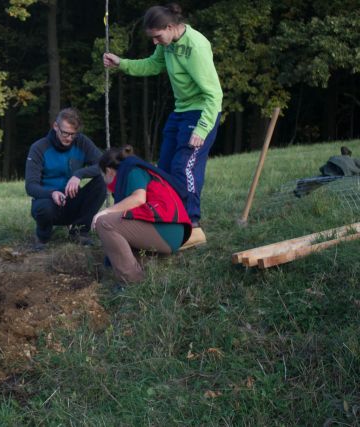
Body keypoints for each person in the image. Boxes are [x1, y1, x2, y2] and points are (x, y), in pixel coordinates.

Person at [103, 3, 222, 249]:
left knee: (184, 167)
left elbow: (214, 94)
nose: (156, 42)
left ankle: (194, 225)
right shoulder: (167, 46)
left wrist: (202, 129)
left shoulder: (195, 47)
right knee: (164, 168)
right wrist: (121, 63)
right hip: (181, 112)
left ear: (170, 27)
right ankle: (170, 219)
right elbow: (152, 65)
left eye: (158, 36)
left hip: (202, 113)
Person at [92, 145, 192, 285]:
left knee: (104, 222)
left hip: (166, 229)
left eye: (103, 176)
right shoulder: (131, 171)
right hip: (171, 229)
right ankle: (147, 265)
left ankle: (132, 281)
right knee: (113, 223)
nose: (104, 181)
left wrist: (105, 211)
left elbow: (138, 199)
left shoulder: (132, 170)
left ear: (108, 171)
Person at [24, 108, 106, 250]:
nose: (69, 138)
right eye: (65, 133)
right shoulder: (38, 148)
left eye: (73, 134)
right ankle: (42, 236)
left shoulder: (82, 142)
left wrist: (78, 174)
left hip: (74, 201)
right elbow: (30, 186)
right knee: (44, 208)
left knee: (102, 180)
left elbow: (105, 165)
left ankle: (79, 231)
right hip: (49, 202)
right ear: (56, 127)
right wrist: (51, 193)